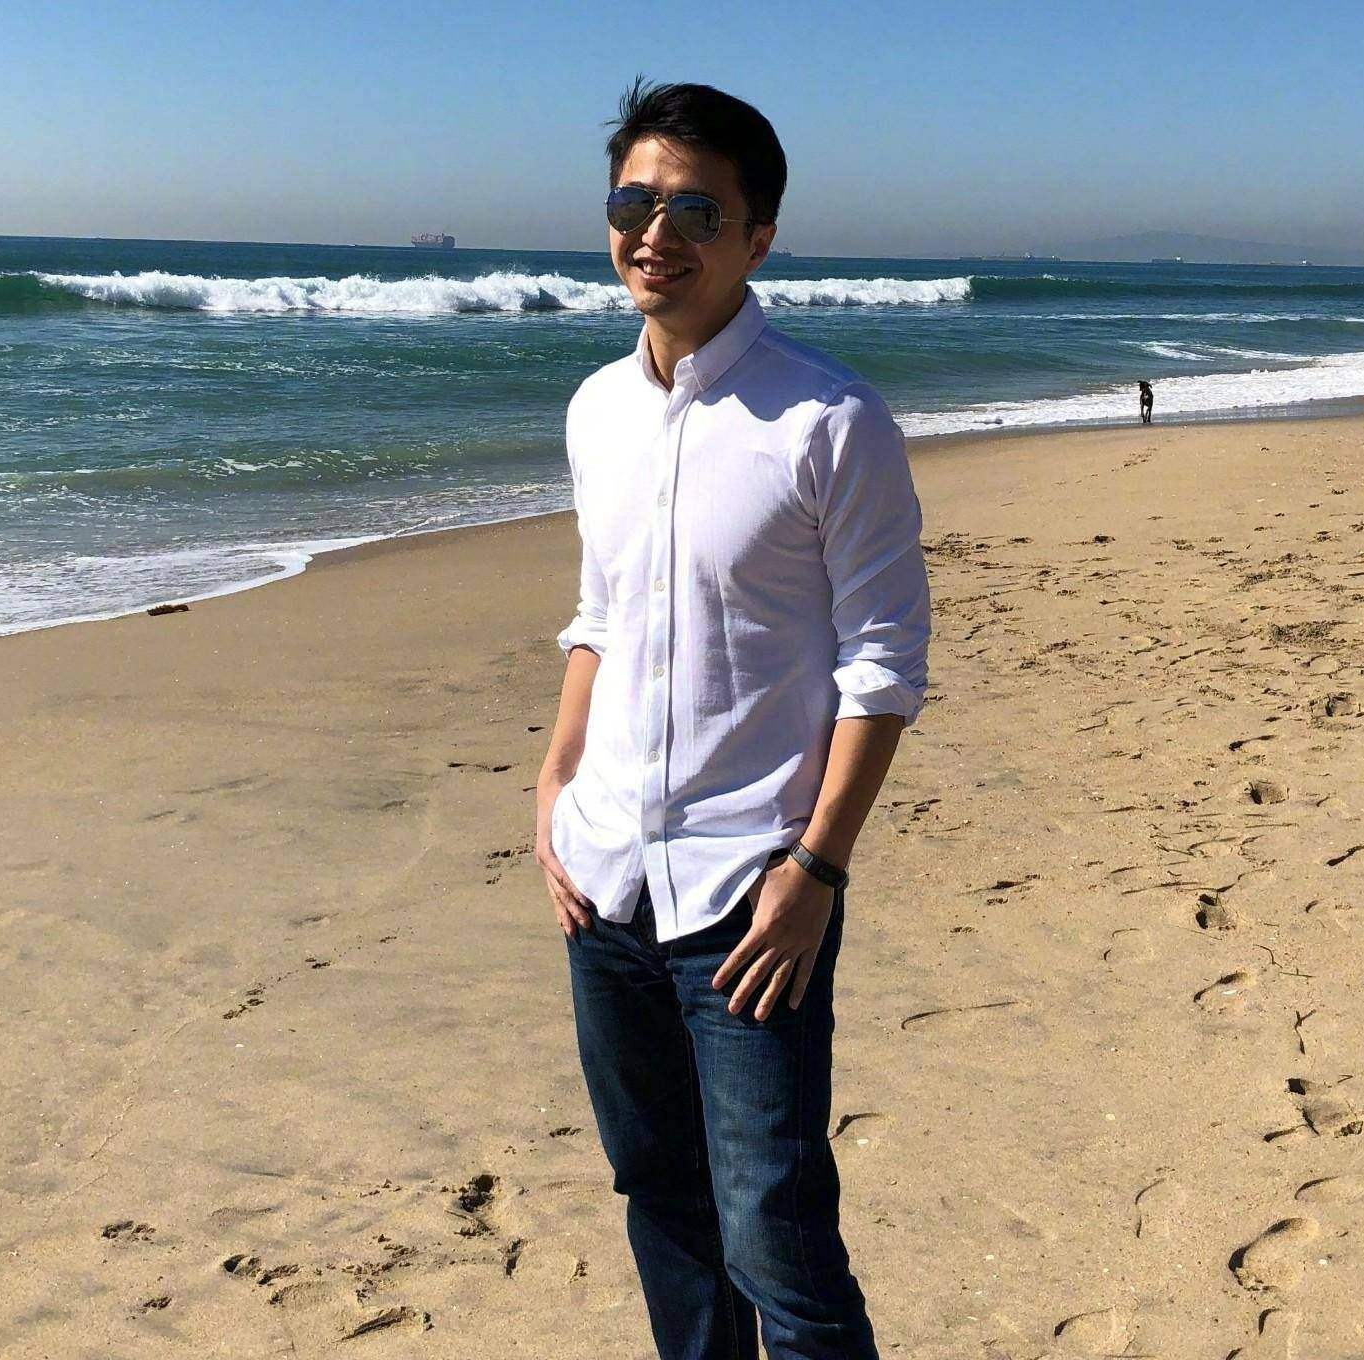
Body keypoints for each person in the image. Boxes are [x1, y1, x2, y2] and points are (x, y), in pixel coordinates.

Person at [536, 79, 929, 1360]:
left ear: (758, 237)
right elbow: (600, 613)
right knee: (662, 1202)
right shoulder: (597, 409)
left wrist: (817, 867)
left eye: (697, 210)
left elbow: (884, 664)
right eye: (634, 202)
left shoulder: (829, 420)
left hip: (748, 898)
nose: (657, 232)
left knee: (778, 1237)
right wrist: (553, 785)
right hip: (605, 885)